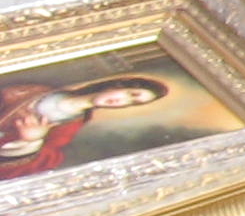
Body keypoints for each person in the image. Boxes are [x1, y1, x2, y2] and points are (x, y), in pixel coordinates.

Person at [0, 75, 169, 179]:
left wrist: (31, 142)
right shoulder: (37, 90)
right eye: (130, 94)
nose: (122, 101)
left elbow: (37, 164)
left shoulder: (70, 126)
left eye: (132, 102)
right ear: (117, 85)